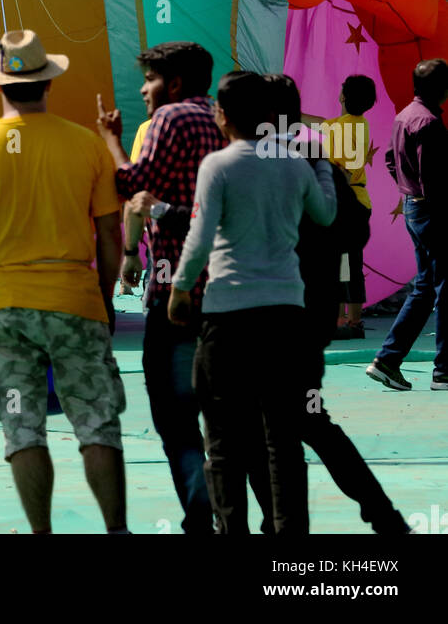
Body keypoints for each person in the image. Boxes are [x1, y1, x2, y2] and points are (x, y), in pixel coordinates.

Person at [0, 29, 128, 535]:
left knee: (22, 429)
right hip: (75, 301)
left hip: (4, 311)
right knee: (97, 424)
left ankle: (41, 533)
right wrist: (103, 297)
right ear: (48, 83)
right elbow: (111, 232)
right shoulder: (86, 147)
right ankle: (117, 530)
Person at [169, 71, 336, 534]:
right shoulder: (294, 163)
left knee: (222, 438)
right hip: (285, 314)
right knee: (282, 439)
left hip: (229, 315)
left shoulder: (218, 166)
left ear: (220, 115)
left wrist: (181, 289)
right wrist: (320, 163)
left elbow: (199, 240)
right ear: (268, 115)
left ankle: (232, 528)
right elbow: (325, 213)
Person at [250, 74, 409, 535]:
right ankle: (380, 517)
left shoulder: (246, 163)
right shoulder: (318, 156)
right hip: (310, 312)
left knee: (274, 426)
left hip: (271, 314)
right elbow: (352, 230)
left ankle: (285, 524)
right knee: (305, 420)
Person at [97, 41, 222, 535]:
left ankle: (199, 515)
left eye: (148, 81)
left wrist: (110, 138)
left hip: (177, 293)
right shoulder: (220, 117)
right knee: (222, 416)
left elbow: (132, 184)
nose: (143, 92)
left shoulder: (170, 119)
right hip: (226, 289)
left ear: (171, 83)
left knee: (175, 417)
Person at [367, 58, 448, 393]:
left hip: (414, 209)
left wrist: (408, 189)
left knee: (425, 288)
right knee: (444, 289)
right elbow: (435, 181)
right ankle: (443, 371)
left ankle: (388, 360)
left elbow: (390, 160)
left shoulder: (404, 116)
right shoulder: (428, 123)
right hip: (433, 212)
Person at [322, 74, 377, 338]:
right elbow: (320, 123)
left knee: (336, 263)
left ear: (342, 96)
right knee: (352, 263)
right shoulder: (359, 124)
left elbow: (340, 172)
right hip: (360, 201)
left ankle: (342, 321)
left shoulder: (340, 128)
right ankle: (353, 322)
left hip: (345, 202)